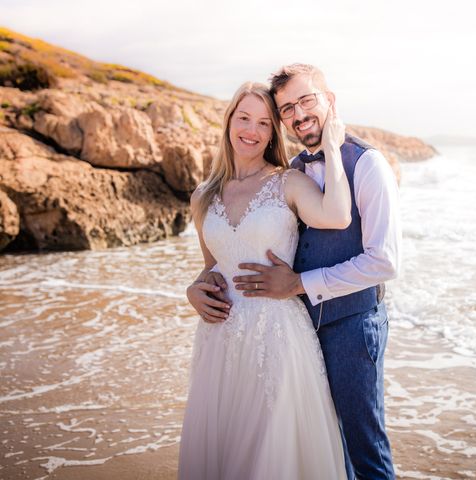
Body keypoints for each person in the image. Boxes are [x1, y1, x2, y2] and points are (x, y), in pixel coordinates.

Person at [199, 64, 400, 480]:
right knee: (326, 445)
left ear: (330, 100)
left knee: (365, 449)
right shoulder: (290, 170)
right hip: (296, 327)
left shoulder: (368, 164)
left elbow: (384, 261)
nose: (299, 113)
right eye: (288, 107)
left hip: (351, 325)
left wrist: (299, 284)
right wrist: (197, 285)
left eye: (307, 100)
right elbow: (230, 256)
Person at [179, 81, 350, 480]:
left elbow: (338, 215)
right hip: (219, 340)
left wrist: (333, 147)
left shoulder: (287, 182)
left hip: (275, 336)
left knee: (270, 457)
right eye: (244, 118)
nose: (251, 131)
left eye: (263, 123)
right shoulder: (203, 195)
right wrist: (192, 291)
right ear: (229, 122)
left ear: (274, 132)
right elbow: (213, 266)